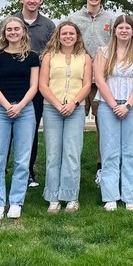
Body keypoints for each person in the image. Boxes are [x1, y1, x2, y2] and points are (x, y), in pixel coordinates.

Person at [0, 17, 40, 221]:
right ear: (4, 33)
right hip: (1, 110)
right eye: (9, 29)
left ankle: (16, 202)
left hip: (25, 110)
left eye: (17, 29)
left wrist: (20, 106)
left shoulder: (32, 57)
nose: (13, 32)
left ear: (24, 32)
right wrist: (8, 106)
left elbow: (34, 86)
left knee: (22, 159)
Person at [95, 15, 133, 211]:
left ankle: (129, 195)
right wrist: (113, 104)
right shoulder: (103, 52)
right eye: (120, 27)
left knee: (131, 152)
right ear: (114, 31)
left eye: (128, 28)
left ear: (132, 31)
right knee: (109, 151)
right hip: (108, 106)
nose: (124, 31)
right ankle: (110, 196)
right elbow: (99, 80)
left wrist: (127, 105)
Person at [38, 22, 93, 214]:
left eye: (72, 33)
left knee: (71, 153)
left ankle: (71, 196)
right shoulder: (49, 57)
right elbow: (43, 85)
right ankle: (53, 197)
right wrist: (58, 104)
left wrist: (73, 104)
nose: (68, 36)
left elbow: (87, 85)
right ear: (58, 36)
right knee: (53, 153)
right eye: (64, 33)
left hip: (75, 109)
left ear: (77, 36)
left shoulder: (85, 58)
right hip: (52, 109)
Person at [67, 0, 116, 183]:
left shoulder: (112, 19)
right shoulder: (74, 18)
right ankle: (71, 168)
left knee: (103, 125)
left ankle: (101, 167)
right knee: (73, 123)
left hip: (102, 80)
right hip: (78, 77)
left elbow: (116, 46)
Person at [12, 0, 55, 189]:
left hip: (35, 85)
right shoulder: (11, 22)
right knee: (7, 129)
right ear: (21, 0)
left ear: (41, 1)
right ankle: (3, 168)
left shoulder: (48, 25)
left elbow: (51, 54)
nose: (32, 1)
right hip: (11, 82)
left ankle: (28, 171)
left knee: (31, 128)